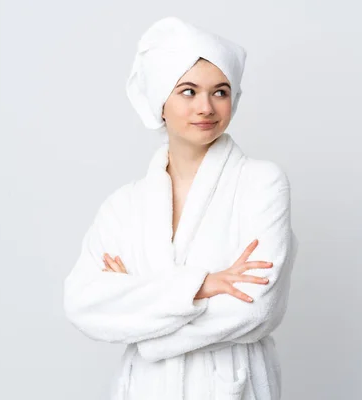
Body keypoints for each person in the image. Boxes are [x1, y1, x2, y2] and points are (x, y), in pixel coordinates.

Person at [63, 16, 299, 400]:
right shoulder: (124, 207)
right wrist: (200, 286)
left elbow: (256, 310)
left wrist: (145, 327)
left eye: (220, 92)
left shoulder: (261, 183)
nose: (206, 107)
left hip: (229, 387)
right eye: (188, 91)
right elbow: (83, 303)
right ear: (160, 101)